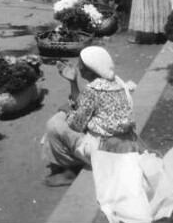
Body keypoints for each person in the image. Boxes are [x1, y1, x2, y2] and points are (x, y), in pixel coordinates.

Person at [42, 46, 139, 186]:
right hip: (127, 143)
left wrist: (67, 111)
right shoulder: (117, 81)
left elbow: (76, 124)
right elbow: (83, 105)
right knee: (65, 115)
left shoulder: (93, 90)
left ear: (90, 68)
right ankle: (72, 162)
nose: (78, 67)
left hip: (104, 149)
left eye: (80, 64)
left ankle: (70, 171)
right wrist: (73, 82)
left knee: (54, 123)